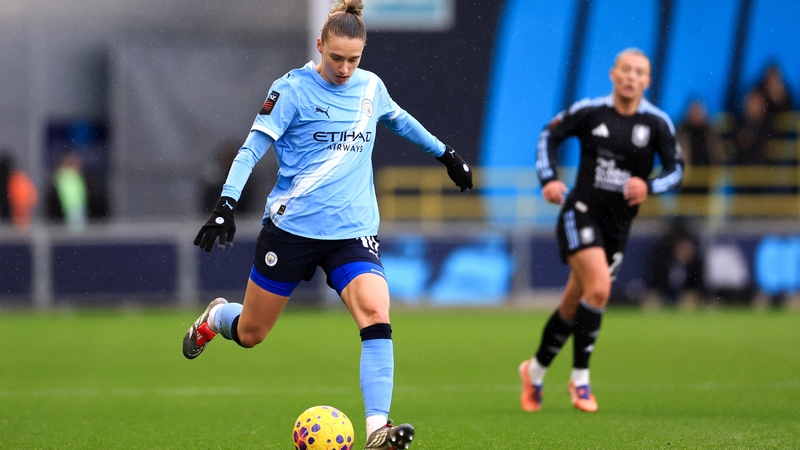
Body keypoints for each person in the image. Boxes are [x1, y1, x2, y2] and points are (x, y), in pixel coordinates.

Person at [182, 1, 472, 448]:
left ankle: (379, 430)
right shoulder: (291, 90)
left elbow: (400, 120)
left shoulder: (371, 88)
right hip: (292, 231)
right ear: (320, 46)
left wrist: (446, 154)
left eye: (353, 59)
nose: (344, 68)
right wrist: (226, 204)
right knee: (252, 333)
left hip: (352, 232)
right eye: (336, 57)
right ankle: (217, 315)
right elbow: (251, 148)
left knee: (376, 311)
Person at [519, 48, 683, 413]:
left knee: (575, 300)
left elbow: (676, 170)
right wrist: (548, 179)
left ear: (647, 81)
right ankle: (580, 380)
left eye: (639, 72)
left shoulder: (657, 123)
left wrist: (650, 186)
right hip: (580, 212)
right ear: (613, 73)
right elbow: (549, 135)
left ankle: (534, 371)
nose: (631, 76)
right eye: (625, 69)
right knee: (599, 288)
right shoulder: (590, 111)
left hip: (619, 226)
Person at [0, 149, 39, 231]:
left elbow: (29, 199)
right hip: (18, 225)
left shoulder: (17, 181)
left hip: (18, 225)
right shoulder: (19, 180)